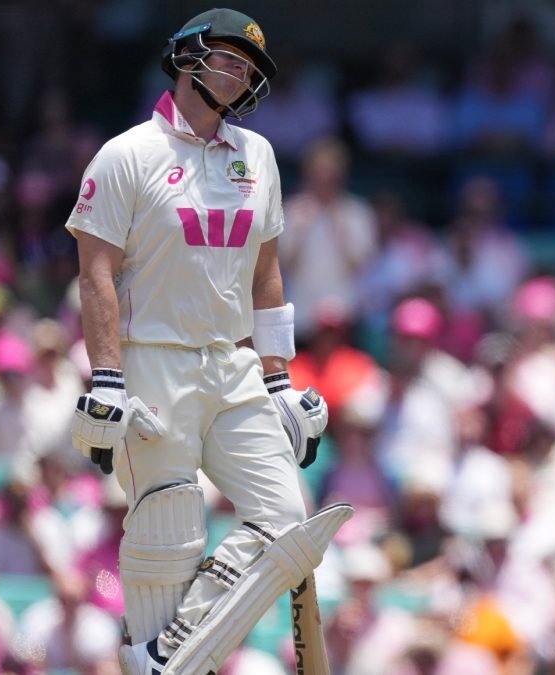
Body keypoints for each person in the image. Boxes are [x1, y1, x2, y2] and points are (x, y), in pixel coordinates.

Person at [64, 9, 350, 674]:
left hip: (233, 363)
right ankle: (158, 652)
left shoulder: (258, 155)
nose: (239, 73)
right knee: (168, 529)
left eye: (248, 67)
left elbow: (267, 274)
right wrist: (107, 377)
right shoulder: (128, 153)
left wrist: (278, 378)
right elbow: (96, 272)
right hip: (152, 361)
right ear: (186, 56)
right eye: (227, 56)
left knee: (287, 519)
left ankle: (171, 648)